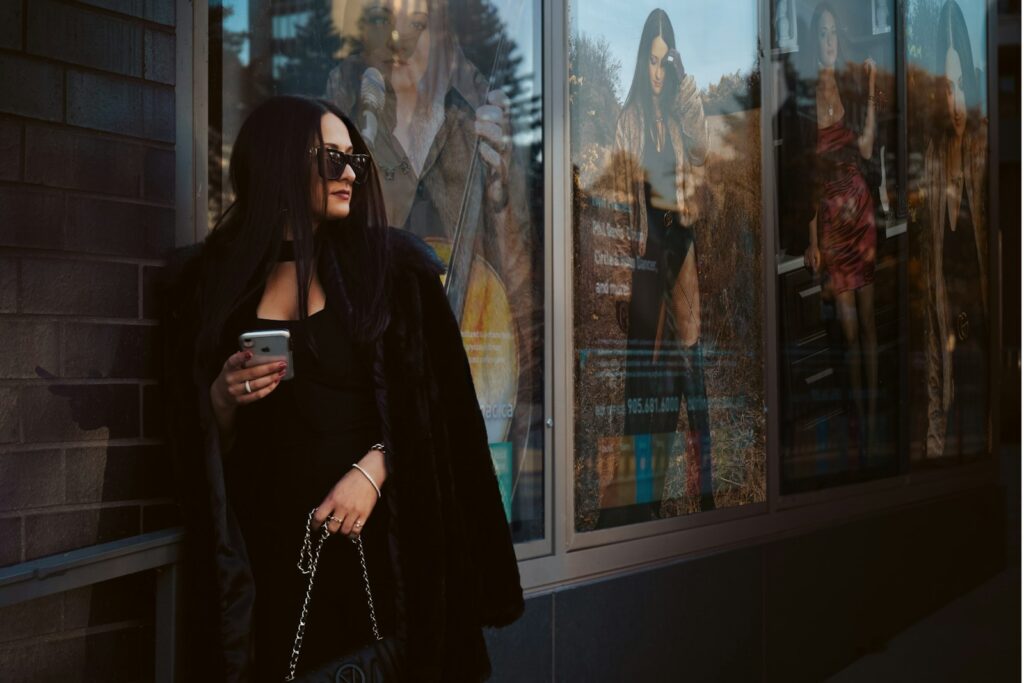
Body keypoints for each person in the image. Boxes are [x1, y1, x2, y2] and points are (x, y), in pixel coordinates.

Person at [162, 95, 523, 682]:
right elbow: (197, 464)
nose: (351, 172)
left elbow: (446, 421)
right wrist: (222, 400)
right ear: (279, 163)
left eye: (354, 158)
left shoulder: (394, 276)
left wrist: (374, 470)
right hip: (269, 569)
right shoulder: (212, 292)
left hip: (383, 564)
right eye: (331, 159)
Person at [325, 0, 539, 477]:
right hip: (369, 358)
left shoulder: (478, 99)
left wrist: (501, 196)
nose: (400, 40)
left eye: (418, 24)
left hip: (470, 355)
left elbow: (520, 278)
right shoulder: (347, 89)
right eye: (386, 18)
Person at [607, 8, 713, 517]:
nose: (657, 72)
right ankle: (641, 499)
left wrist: (686, 78)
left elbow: (702, 150)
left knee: (686, 378)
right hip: (647, 263)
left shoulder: (677, 115)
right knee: (646, 385)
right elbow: (615, 198)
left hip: (682, 257)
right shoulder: (628, 121)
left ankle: (700, 489)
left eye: (664, 62)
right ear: (640, 62)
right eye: (651, 61)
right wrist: (618, 277)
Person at [802, 2, 879, 460]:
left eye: (834, 33)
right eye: (823, 33)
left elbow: (867, 145)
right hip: (832, 226)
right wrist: (812, 241)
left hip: (863, 216)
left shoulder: (851, 86)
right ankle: (858, 424)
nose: (830, 40)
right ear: (816, 40)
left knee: (869, 328)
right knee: (848, 334)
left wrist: (869, 89)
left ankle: (872, 423)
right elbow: (809, 179)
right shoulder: (809, 96)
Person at [922, 0, 988, 459]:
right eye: (947, 88)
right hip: (949, 334)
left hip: (983, 332)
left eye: (962, 84)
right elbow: (930, 295)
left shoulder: (984, 146)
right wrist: (932, 444)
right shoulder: (930, 156)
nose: (956, 101)